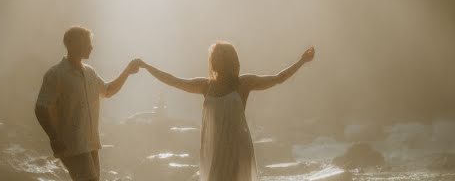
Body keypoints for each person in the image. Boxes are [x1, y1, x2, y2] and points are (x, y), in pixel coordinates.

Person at [137, 43, 315, 181]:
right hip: (216, 149)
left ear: (230, 61)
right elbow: (173, 81)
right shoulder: (205, 86)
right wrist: (147, 66)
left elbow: (277, 79)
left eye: (220, 57)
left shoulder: (243, 83)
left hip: (238, 148)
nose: (216, 60)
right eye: (215, 57)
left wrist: (302, 61)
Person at [35, 26, 140, 181]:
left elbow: (108, 91)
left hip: (91, 144)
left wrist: (127, 71)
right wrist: (54, 139)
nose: (91, 47)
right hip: (71, 145)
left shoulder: (90, 72)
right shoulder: (55, 74)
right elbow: (41, 108)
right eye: (87, 43)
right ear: (73, 44)